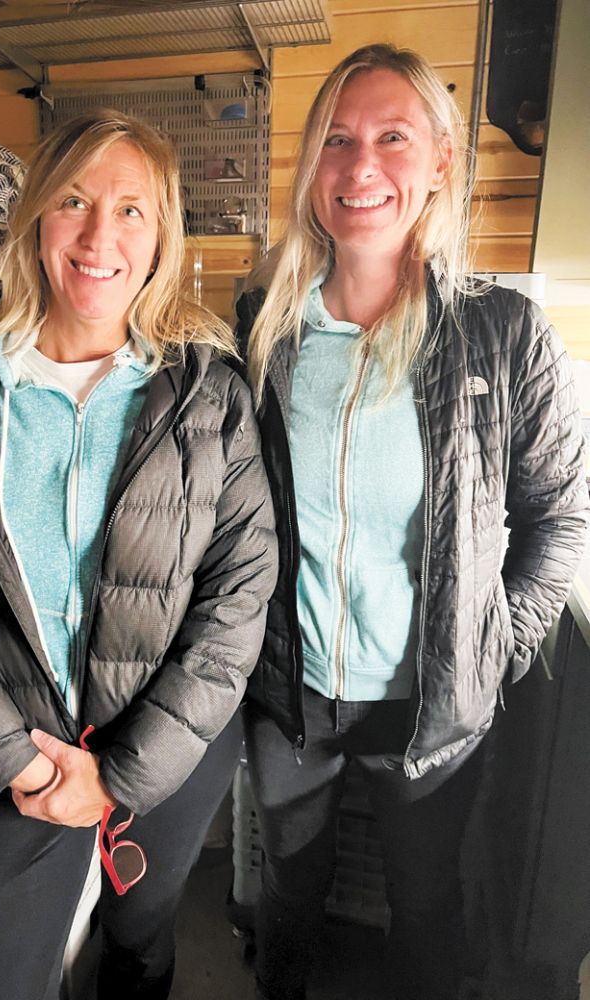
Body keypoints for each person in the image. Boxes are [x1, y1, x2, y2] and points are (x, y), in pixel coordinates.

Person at [0, 109, 277, 1000]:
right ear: (35, 219)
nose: (100, 236)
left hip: (168, 748)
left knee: (139, 936)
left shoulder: (212, 395)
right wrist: (14, 758)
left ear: (162, 234)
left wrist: (122, 778)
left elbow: (236, 604)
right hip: (18, 754)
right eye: (75, 201)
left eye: (132, 210)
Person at [234, 43, 588, 1000]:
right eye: (339, 140)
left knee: (426, 900)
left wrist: (493, 640)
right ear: (313, 166)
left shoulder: (501, 331)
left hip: (429, 704)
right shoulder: (263, 325)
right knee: (289, 889)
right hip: (290, 692)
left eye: (393, 137)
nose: (360, 166)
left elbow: (559, 513)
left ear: (439, 163)